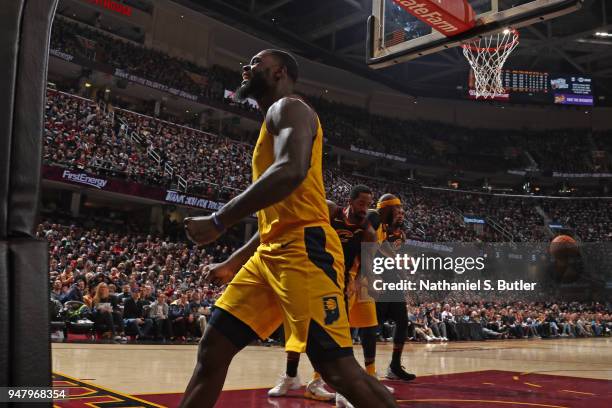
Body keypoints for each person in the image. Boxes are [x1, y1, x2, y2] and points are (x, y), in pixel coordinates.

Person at [180, 49, 396, 408]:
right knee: (213, 349)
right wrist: (234, 261)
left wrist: (220, 220)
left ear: (279, 72)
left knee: (337, 370)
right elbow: (278, 213)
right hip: (271, 252)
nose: (245, 66)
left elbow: (291, 170)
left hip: (304, 251)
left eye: (255, 63)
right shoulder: (275, 119)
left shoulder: (289, 108)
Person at [268, 185, 393, 405]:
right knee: (298, 328)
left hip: (337, 285)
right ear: (351, 201)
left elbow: (367, 262)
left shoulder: (368, 232)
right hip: (308, 273)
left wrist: (356, 281)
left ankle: (338, 389)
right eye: (361, 203)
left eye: (368, 205)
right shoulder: (330, 211)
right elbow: (302, 223)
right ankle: (290, 376)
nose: (365, 209)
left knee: (337, 338)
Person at [371, 194, 417, 381]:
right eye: (397, 211)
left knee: (403, 321)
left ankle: (395, 366)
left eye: (403, 211)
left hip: (392, 282)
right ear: (387, 210)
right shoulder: (375, 225)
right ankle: (369, 368)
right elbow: (380, 249)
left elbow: (395, 257)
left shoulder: (401, 235)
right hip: (375, 279)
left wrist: (403, 275)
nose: (401, 214)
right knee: (372, 326)